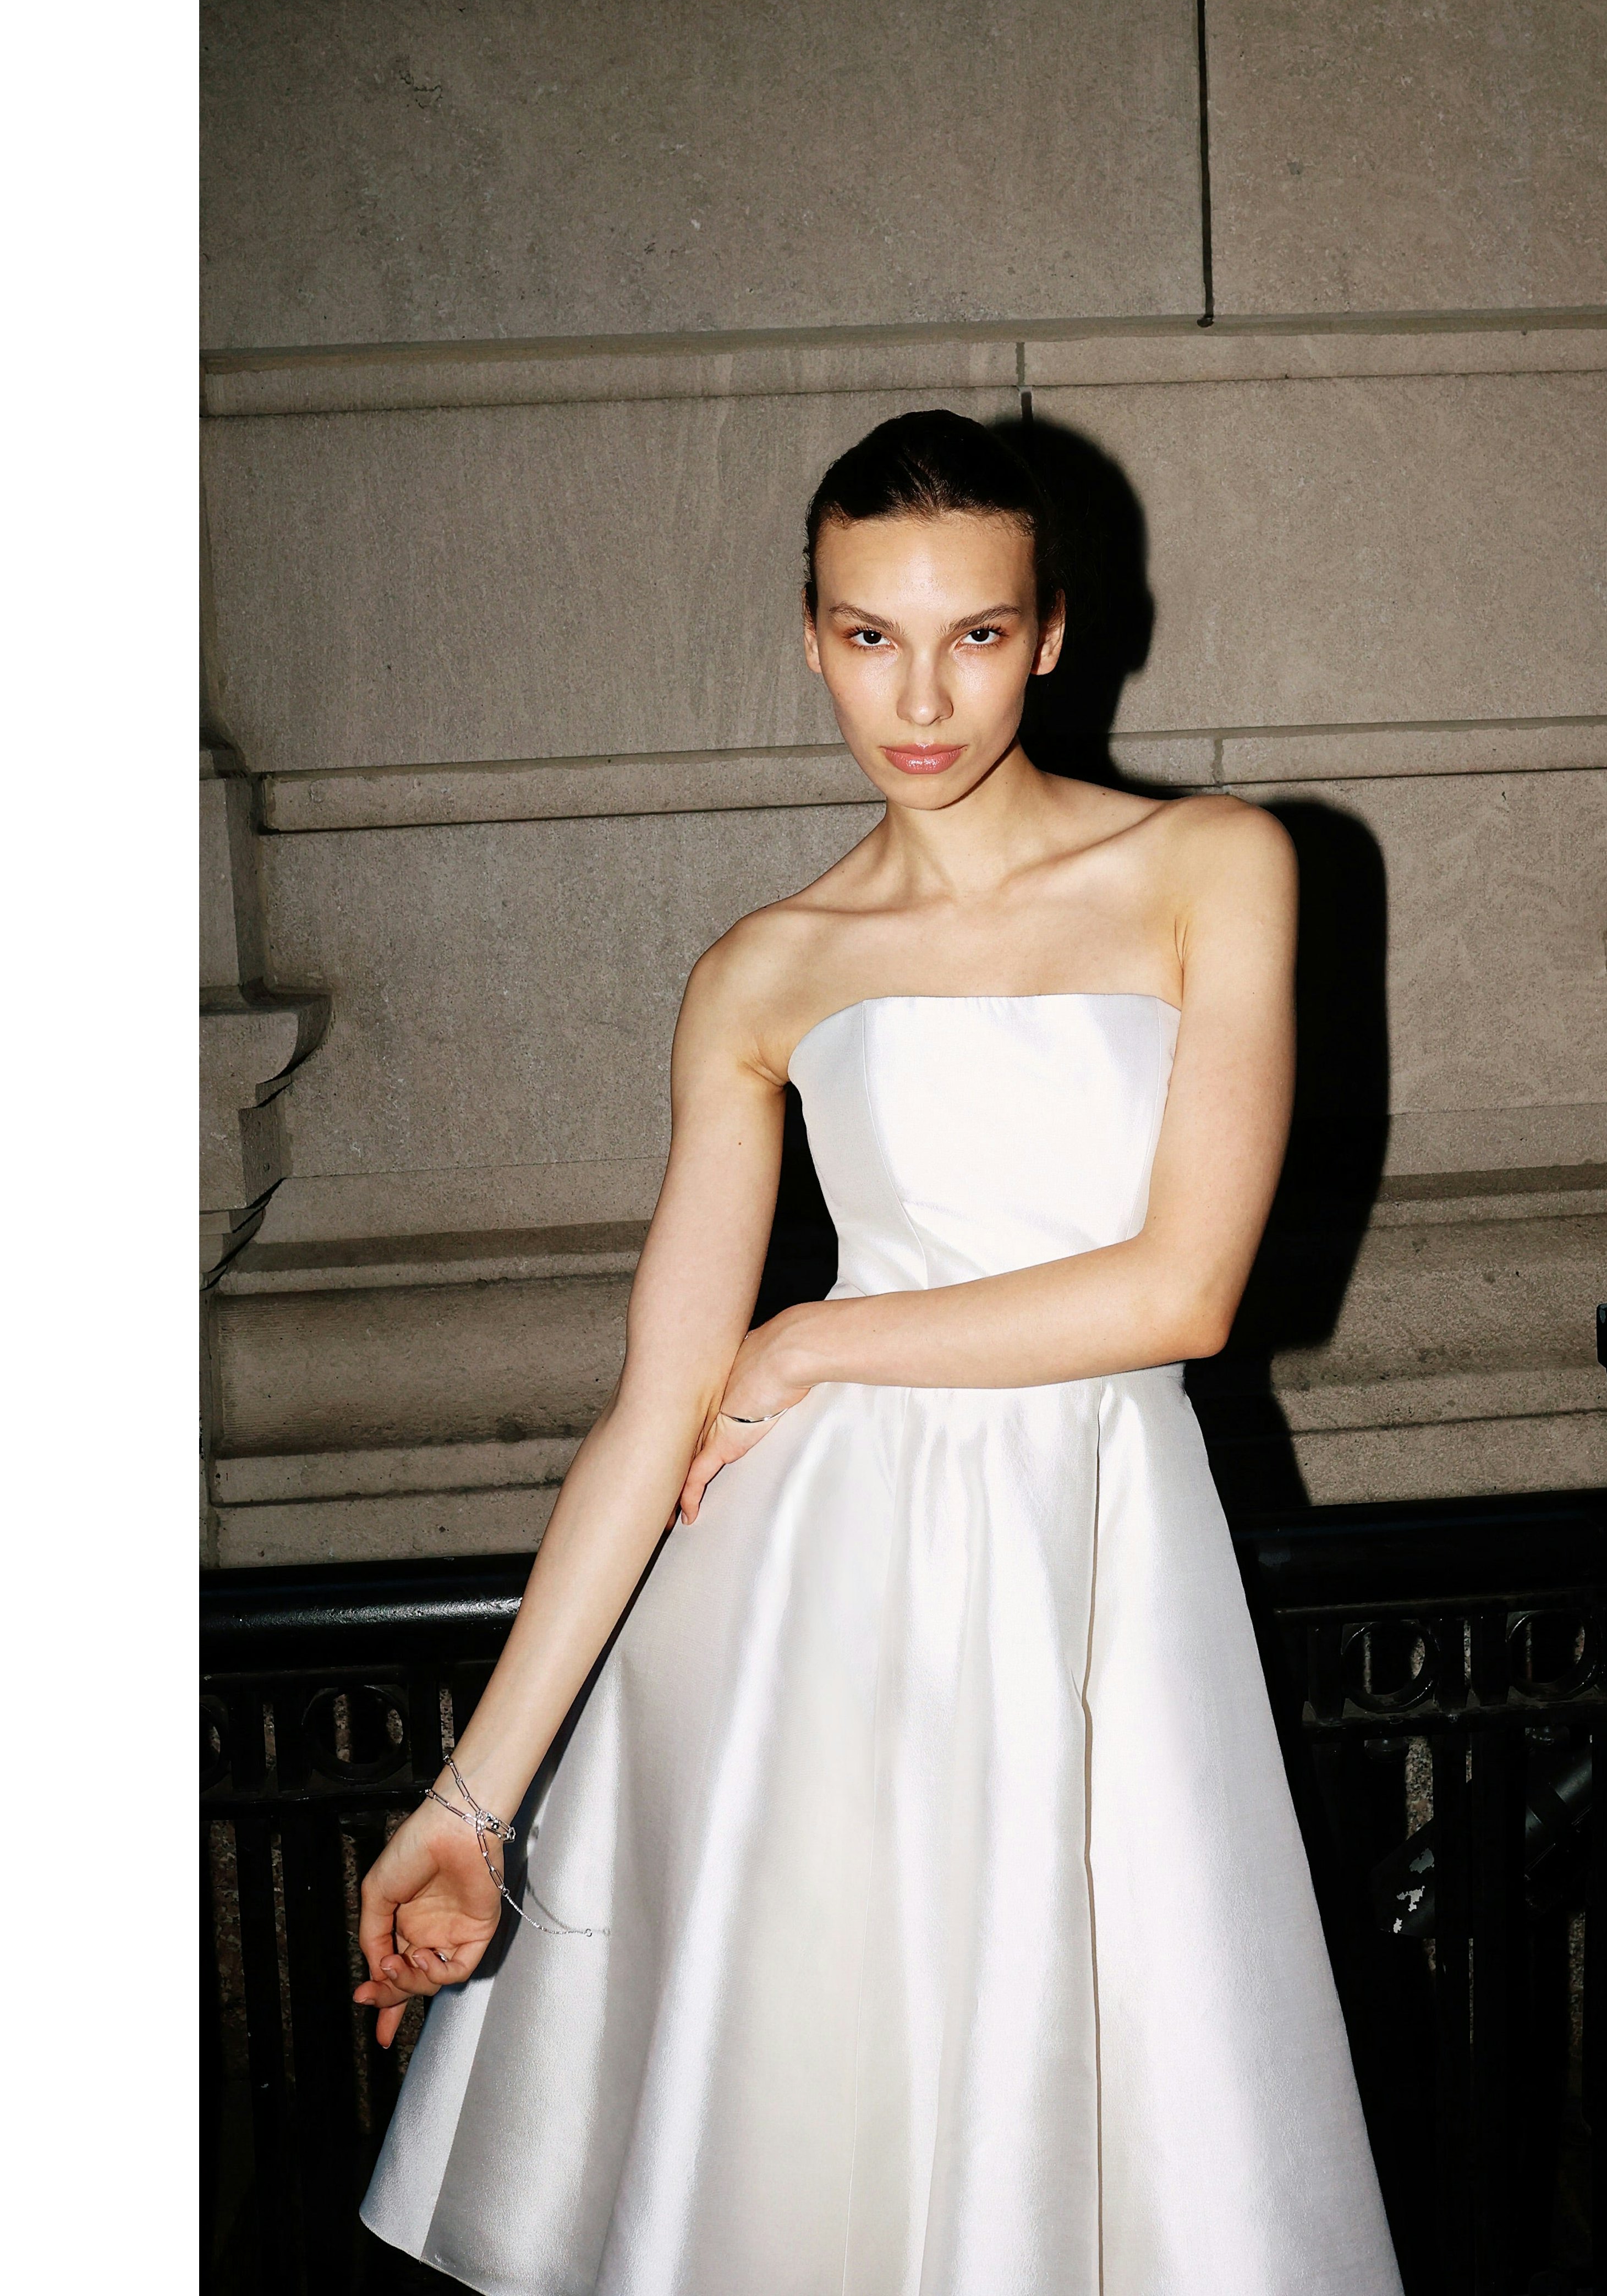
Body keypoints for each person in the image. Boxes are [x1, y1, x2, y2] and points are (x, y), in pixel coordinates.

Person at [355, 410, 1403, 2295]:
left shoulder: (1217, 863)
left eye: (975, 635)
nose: (920, 697)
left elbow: (1184, 1294)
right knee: (801, 2150)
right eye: (869, 636)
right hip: (810, 1610)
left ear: (1054, 634)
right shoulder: (766, 967)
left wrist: (822, 1340)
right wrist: (470, 1805)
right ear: (812, 638)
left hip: (1096, 1560)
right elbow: (654, 1413)